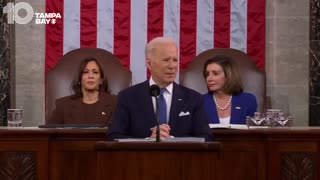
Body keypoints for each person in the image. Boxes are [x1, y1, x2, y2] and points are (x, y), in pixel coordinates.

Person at [107, 37, 212, 141]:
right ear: (149, 63)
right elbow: (114, 136)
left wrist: (173, 140)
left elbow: (206, 138)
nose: (172, 66)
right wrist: (148, 140)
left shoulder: (193, 98)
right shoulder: (128, 97)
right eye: (166, 60)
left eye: (175, 60)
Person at [48, 57, 117, 125]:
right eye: (85, 72)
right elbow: (48, 133)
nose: (90, 76)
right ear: (79, 79)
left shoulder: (115, 102)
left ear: (101, 80)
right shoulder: (63, 105)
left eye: (95, 72)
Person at [203, 55, 257, 124]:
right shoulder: (199, 101)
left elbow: (254, 131)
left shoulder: (248, 100)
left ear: (229, 75)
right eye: (207, 74)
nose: (209, 79)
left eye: (215, 74)